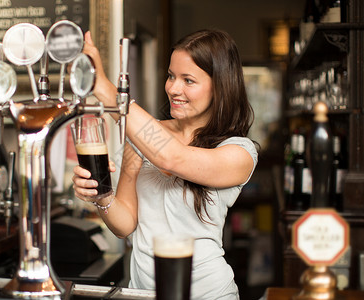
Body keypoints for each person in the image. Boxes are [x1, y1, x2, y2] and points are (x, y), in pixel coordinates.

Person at [72, 29, 258, 300]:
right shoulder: (142, 137)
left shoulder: (238, 152)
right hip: (143, 294)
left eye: (188, 80)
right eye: (171, 76)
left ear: (220, 85)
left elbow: (171, 158)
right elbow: (125, 224)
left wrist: (104, 88)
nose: (173, 88)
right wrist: (101, 195)